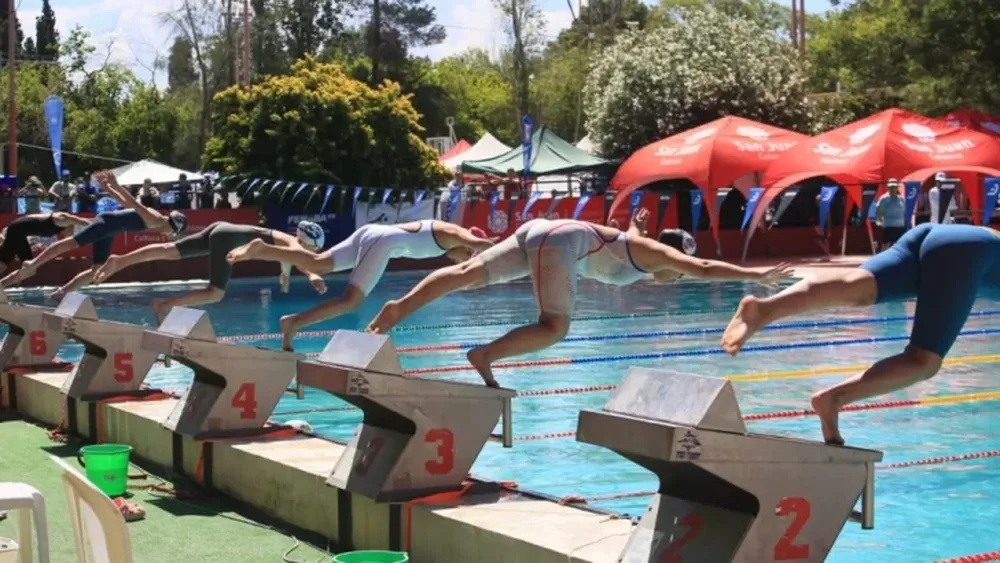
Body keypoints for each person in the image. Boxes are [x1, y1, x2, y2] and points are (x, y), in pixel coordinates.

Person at [366, 209, 793, 387]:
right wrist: (755, 274)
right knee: (555, 327)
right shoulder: (659, 255)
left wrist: (637, 222)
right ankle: (485, 355)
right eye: (677, 268)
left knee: (466, 275)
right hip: (561, 242)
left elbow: (636, 236)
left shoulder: (642, 246)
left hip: (539, 230)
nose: (676, 275)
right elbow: (701, 269)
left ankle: (396, 310)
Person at [720, 223, 1000, 446]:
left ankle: (763, 308)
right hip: (968, 251)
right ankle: (835, 398)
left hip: (939, 233)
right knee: (923, 362)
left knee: (860, 287)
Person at [225, 219, 497, 351]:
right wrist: (514, 254)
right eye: (467, 254)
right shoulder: (458, 234)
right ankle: (295, 322)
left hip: (371, 232)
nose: (465, 259)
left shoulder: (448, 236)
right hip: (381, 242)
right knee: (351, 301)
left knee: (318, 263)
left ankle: (263, 250)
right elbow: (486, 247)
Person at [1, 171, 189, 300]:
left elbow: (125, 202)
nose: (170, 236)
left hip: (111, 231)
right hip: (106, 223)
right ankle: (33, 264)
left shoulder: (156, 219)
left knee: (96, 271)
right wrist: (115, 184)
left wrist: (108, 189)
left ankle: (60, 293)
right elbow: (132, 202)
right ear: (172, 226)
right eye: (173, 233)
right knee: (70, 244)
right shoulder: (155, 218)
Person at [92, 220, 328, 321]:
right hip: (231, 240)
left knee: (169, 249)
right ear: (310, 243)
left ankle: (120, 260)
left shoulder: (288, 239)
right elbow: (303, 261)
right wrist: (313, 274)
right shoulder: (296, 245)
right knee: (215, 293)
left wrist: (285, 279)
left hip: (221, 228)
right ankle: (164, 304)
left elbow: (289, 262)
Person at [0, 212, 91, 275]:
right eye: (72, 232)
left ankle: (4, 284)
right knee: (29, 267)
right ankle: (6, 283)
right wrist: (101, 228)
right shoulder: (63, 219)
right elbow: (84, 221)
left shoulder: (60, 227)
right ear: (70, 226)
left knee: (6, 259)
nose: (70, 235)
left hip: (16, 229)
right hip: (17, 229)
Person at [874, 178, 906, 250]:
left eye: (894, 187)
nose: (892, 189)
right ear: (888, 187)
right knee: (887, 249)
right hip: (888, 228)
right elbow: (879, 213)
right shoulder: (883, 199)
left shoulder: (902, 199)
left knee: (900, 248)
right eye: (891, 187)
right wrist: (879, 225)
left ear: (897, 187)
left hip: (900, 228)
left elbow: (905, 212)